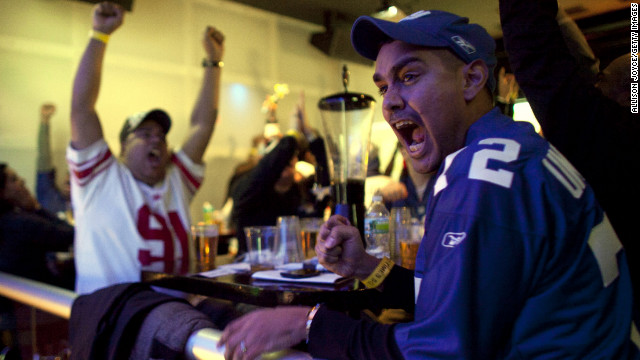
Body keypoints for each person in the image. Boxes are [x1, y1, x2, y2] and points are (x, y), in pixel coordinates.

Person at [218, 10, 639, 359]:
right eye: (383, 85)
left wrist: (306, 323)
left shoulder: (482, 176)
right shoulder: (506, 149)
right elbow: (463, 299)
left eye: (409, 76)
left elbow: (435, 352)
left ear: (472, 80)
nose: (389, 101)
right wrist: (368, 268)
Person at [67, 1, 223, 294]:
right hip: (115, 318)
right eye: (145, 134)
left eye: (162, 136)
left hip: (175, 314)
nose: (157, 140)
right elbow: (81, 109)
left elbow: (203, 125)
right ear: (123, 147)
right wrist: (100, 35)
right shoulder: (100, 178)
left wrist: (214, 62)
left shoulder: (175, 180)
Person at [499, 0, 640, 307]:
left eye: (601, 81)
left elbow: (538, 52)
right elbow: (582, 67)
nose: (592, 85)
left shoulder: (606, 144)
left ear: (619, 98)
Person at [230, 94, 329, 255]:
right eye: (277, 152)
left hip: (296, 273)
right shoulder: (247, 190)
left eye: (290, 153)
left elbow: (327, 179)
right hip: (253, 274)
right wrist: (292, 135)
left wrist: (310, 134)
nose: (285, 158)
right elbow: (268, 169)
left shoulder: (302, 191)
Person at [0, 163, 74, 287]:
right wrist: (36, 208)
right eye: (14, 179)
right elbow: (70, 236)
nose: (22, 181)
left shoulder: (11, 220)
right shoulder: (20, 223)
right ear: (2, 192)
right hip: (37, 295)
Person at [36, 103, 72, 223]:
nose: (69, 181)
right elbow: (44, 159)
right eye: (69, 175)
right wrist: (44, 121)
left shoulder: (87, 205)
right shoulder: (48, 195)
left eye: (75, 178)